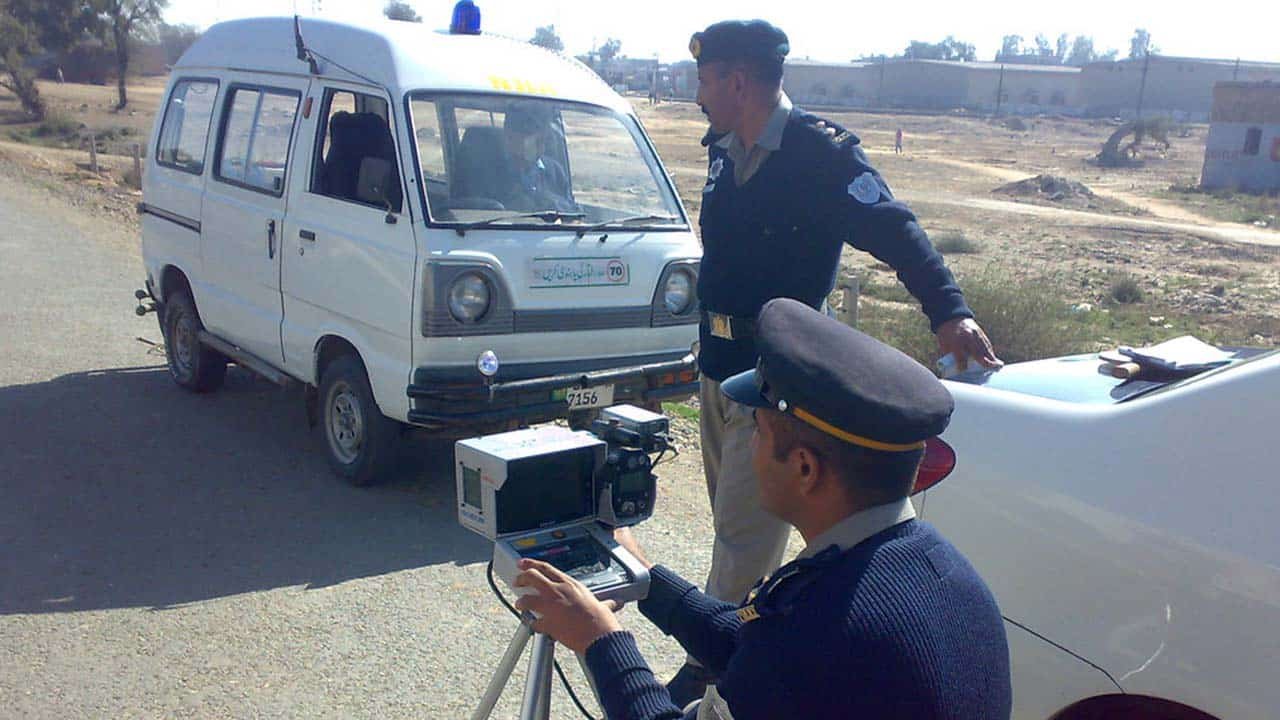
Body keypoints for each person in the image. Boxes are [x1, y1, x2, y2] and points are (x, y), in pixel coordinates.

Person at [677, 19, 1003, 703]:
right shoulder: (723, 149)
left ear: (738, 81)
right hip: (716, 369)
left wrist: (948, 310)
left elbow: (894, 226)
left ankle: (723, 684)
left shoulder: (818, 155)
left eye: (705, 80)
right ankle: (747, 644)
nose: (696, 93)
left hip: (771, 386)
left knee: (741, 544)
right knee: (741, 529)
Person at [513, 298, 1013, 720]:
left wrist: (599, 638)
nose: (748, 446)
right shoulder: (941, 575)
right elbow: (760, 646)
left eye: (758, 430)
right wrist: (648, 579)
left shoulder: (823, 629)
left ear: (804, 468)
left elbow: (786, 657)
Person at [498, 104, 576, 212]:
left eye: (543, 140)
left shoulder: (555, 171)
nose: (541, 147)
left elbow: (574, 214)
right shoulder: (489, 172)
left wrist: (553, 203)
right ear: (509, 137)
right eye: (535, 141)